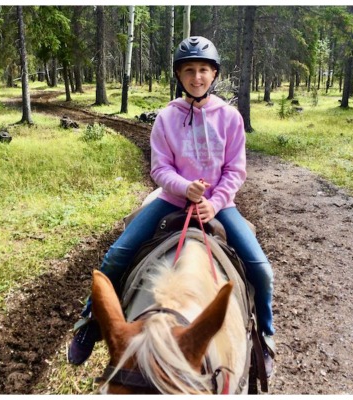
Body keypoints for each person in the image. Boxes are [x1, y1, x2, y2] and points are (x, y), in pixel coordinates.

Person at [67, 36, 276, 376]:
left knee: (262, 270)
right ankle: (89, 321)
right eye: (189, 71)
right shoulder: (166, 117)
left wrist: (215, 202)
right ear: (179, 76)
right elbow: (160, 168)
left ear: (214, 74)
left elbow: (236, 170)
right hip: (170, 201)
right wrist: (185, 187)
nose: (197, 77)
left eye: (204, 70)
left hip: (219, 207)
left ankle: (265, 336)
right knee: (116, 255)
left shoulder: (230, 117)